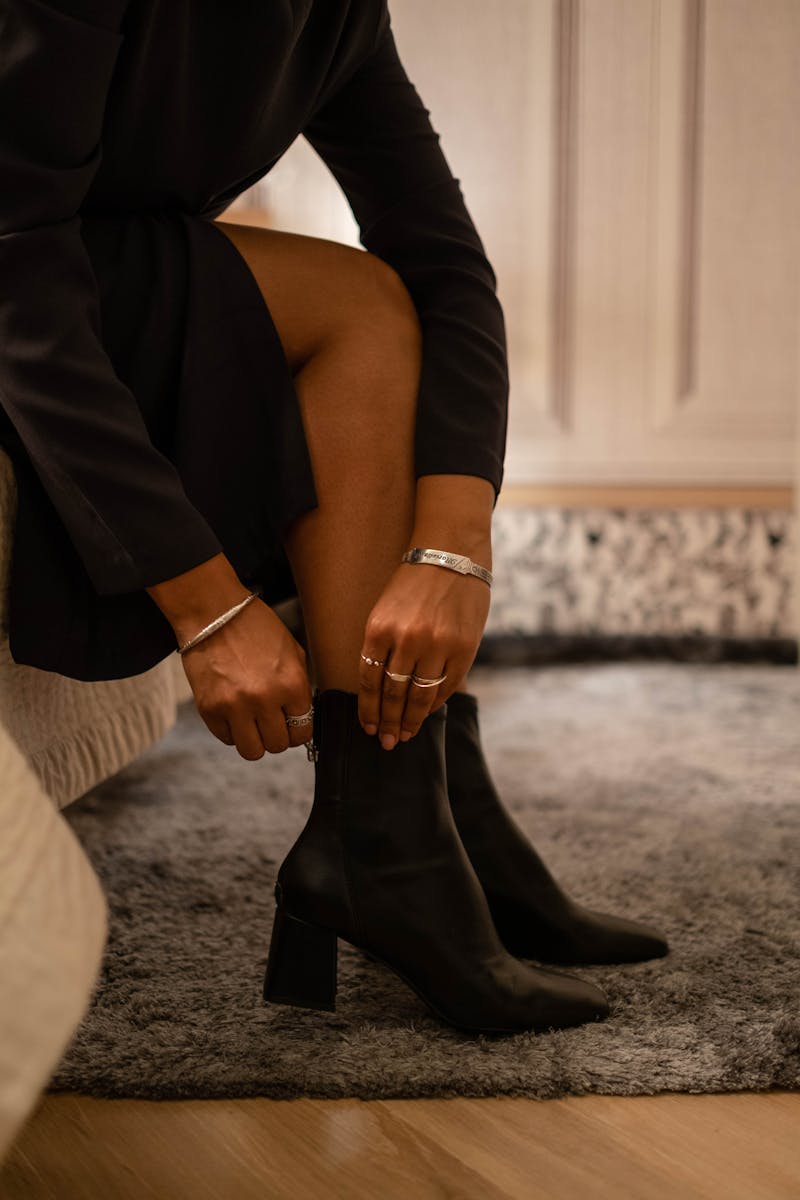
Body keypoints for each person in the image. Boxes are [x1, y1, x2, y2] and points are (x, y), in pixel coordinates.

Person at [0, 0, 668, 1036]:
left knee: (376, 306)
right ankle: (388, 843)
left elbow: (445, 261)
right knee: (351, 309)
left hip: (74, 266)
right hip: (17, 273)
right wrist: (208, 606)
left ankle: (418, 816)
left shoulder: (336, 11)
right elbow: (16, 261)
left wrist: (455, 544)